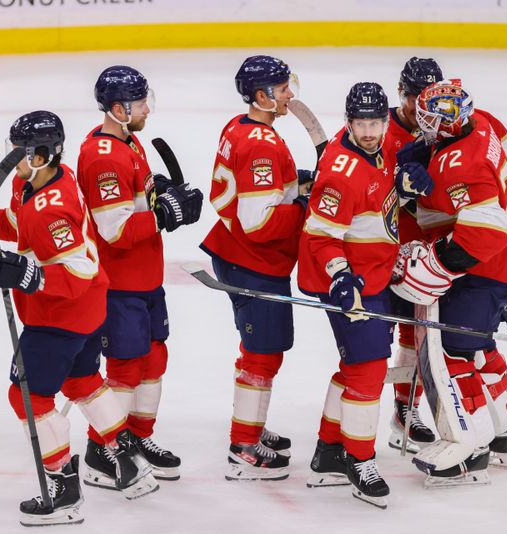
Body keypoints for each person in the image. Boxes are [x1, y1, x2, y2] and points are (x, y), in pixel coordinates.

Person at [0, 111, 158, 525]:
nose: (12, 157)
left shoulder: (54, 206)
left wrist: (30, 275)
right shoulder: (37, 181)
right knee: (82, 380)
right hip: (83, 313)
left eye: (21, 150)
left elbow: (79, 269)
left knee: (27, 396)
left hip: (60, 316)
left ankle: (63, 492)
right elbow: (17, 226)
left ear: (43, 153)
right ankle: (128, 456)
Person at [391, 79, 507, 485]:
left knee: (448, 348)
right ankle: (504, 431)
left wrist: (435, 264)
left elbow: (485, 235)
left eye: (431, 120)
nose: (424, 126)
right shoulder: (484, 122)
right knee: (480, 345)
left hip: (485, 272)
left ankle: (466, 446)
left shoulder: (463, 165)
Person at [75, 66, 203, 488]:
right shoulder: (103, 157)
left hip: (146, 278)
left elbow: (137, 201)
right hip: (119, 283)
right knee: (126, 368)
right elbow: (114, 230)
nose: (148, 108)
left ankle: (136, 438)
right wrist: (165, 214)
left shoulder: (129, 141)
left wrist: (161, 193)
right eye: (141, 101)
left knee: (152, 360)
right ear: (118, 108)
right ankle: (102, 450)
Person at [200, 55, 312, 481]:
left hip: (237, 253)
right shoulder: (261, 143)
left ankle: (251, 427)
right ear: (262, 96)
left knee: (260, 351)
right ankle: (243, 448)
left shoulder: (241, 126)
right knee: (263, 354)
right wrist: (304, 205)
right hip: (252, 259)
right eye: (283, 89)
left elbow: (254, 193)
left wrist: (295, 184)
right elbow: (259, 221)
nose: (289, 95)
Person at [297, 82, 398, 509]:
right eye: (362, 124)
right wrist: (342, 277)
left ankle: (328, 452)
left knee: (356, 364)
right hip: (347, 283)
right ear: (349, 123)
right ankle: (359, 459)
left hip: (374, 274)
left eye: (376, 122)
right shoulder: (341, 172)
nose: (370, 131)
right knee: (370, 368)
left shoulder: (383, 146)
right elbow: (321, 238)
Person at [382, 56, 444, 453]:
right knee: (372, 338)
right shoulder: (375, 128)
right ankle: (353, 424)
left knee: (414, 332)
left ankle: (405, 410)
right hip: (379, 249)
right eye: (415, 100)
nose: (422, 110)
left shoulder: (442, 126)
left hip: (419, 254)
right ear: (401, 95)